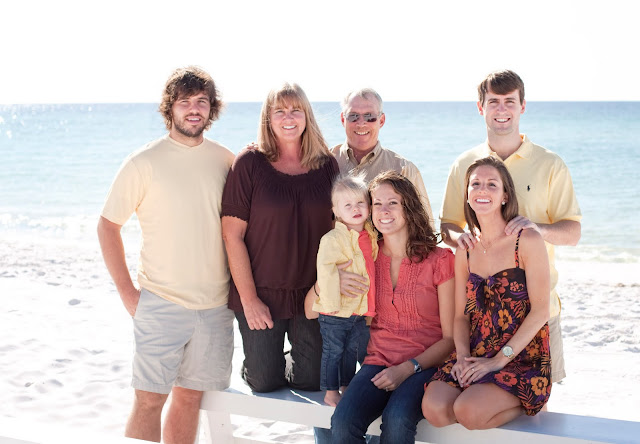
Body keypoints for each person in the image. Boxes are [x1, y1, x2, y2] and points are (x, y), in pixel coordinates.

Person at [97, 66, 235, 444]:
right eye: (184, 102)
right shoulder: (143, 162)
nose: (194, 109)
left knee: (190, 398)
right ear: (169, 108)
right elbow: (107, 226)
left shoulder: (226, 160)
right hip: (161, 303)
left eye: (202, 102)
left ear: (212, 108)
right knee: (148, 400)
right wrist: (128, 294)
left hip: (216, 307)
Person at [440, 69, 581, 383]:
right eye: (493, 101)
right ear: (481, 107)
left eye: (509, 101)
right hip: (483, 319)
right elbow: (448, 224)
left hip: (539, 313)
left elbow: (573, 232)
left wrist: (537, 230)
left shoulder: (550, 164)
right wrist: (460, 239)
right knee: (474, 399)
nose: (501, 109)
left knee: (537, 407)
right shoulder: (464, 164)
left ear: (522, 106)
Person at [221, 82, 339, 393]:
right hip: (261, 292)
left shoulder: (327, 165)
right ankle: (262, 363)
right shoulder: (249, 163)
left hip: (311, 293)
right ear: (267, 118)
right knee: (264, 382)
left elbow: (336, 230)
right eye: (279, 111)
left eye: (296, 110)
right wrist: (249, 301)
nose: (288, 118)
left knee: (312, 380)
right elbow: (232, 236)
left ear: (307, 116)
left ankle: (285, 358)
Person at [423, 157, 551, 428]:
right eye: (476, 184)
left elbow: (541, 311)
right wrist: (461, 357)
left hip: (519, 356)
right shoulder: (466, 248)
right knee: (435, 409)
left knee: (469, 411)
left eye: (492, 184)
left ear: (505, 196)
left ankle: (530, 403)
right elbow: (461, 317)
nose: (483, 189)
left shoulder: (526, 240)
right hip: (475, 350)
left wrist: (498, 361)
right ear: (467, 195)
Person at [330, 171, 455, 443]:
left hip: (428, 364)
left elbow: (450, 339)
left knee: (397, 419)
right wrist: (330, 279)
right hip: (378, 361)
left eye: (393, 203)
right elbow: (315, 309)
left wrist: (409, 368)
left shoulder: (440, 260)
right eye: (377, 203)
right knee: (342, 422)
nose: (384, 211)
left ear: (408, 207)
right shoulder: (366, 257)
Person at [305, 173, 378, 407]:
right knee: (333, 351)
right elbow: (326, 271)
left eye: (360, 203)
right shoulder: (332, 239)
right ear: (336, 211)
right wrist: (332, 305)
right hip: (334, 310)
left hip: (357, 310)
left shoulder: (371, 236)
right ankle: (330, 391)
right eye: (347, 205)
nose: (355, 209)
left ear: (369, 206)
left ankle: (347, 385)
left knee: (351, 351)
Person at [331, 88, 435, 228]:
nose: (361, 123)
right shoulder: (322, 163)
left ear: (381, 120)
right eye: (353, 116)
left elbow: (424, 228)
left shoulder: (404, 169)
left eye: (369, 116)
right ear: (343, 119)